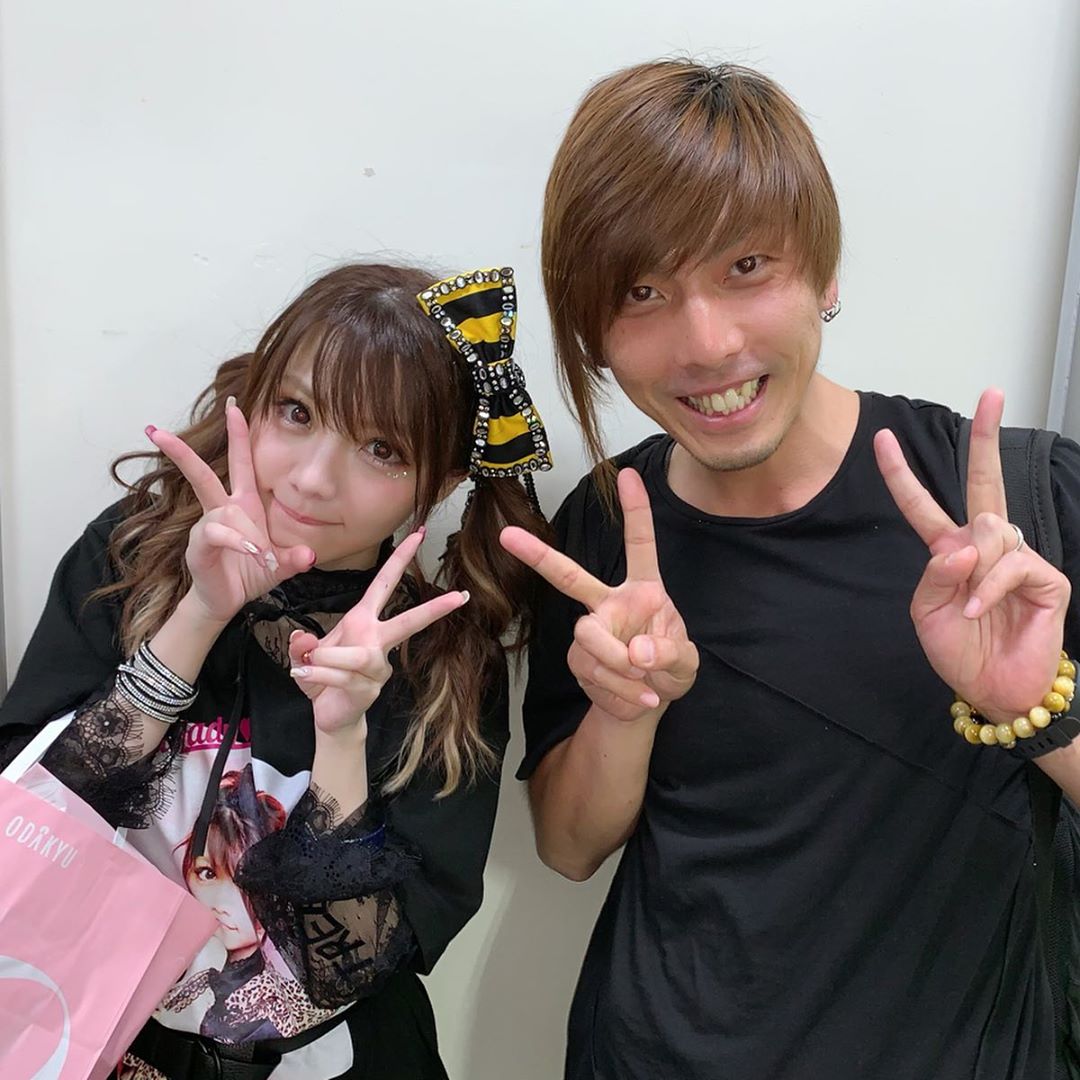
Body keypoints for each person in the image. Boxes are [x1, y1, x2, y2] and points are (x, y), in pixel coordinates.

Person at [500, 59, 1079, 1080]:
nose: (706, 344)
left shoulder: (1018, 510)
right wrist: (626, 711)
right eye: (643, 292)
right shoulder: (604, 527)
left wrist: (1037, 707)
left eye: (746, 267)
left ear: (824, 272)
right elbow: (569, 847)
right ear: (593, 332)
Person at [0, 261, 551, 1079]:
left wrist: (342, 737)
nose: (312, 477)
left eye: (381, 449)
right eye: (297, 412)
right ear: (253, 400)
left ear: (439, 481)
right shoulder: (131, 556)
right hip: (82, 1034)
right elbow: (33, 825)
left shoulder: (442, 660)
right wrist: (198, 614)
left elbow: (349, 969)